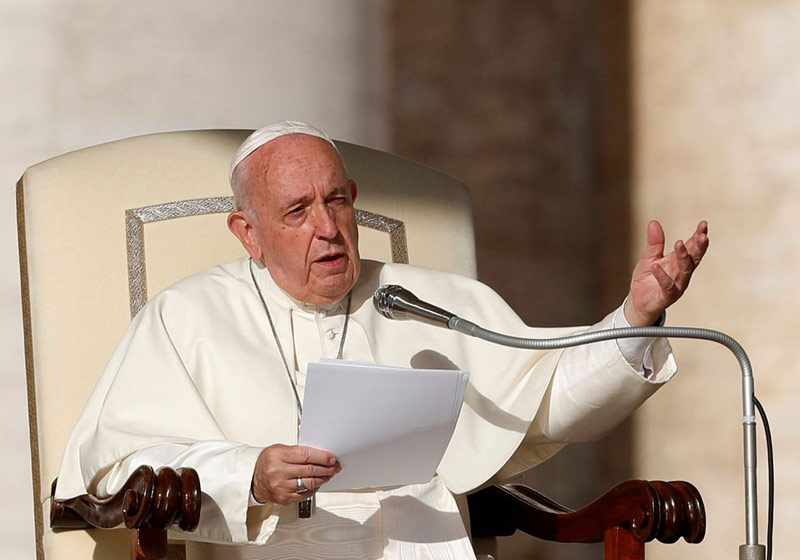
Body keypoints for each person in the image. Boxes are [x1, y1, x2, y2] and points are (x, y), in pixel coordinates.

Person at [54, 121, 709, 559]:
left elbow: (547, 395)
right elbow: (118, 468)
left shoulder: (427, 301)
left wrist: (634, 318)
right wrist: (249, 473)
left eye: (337, 201)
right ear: (247, 233)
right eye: (297, 211)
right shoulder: (186, 318)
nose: (327, 228)